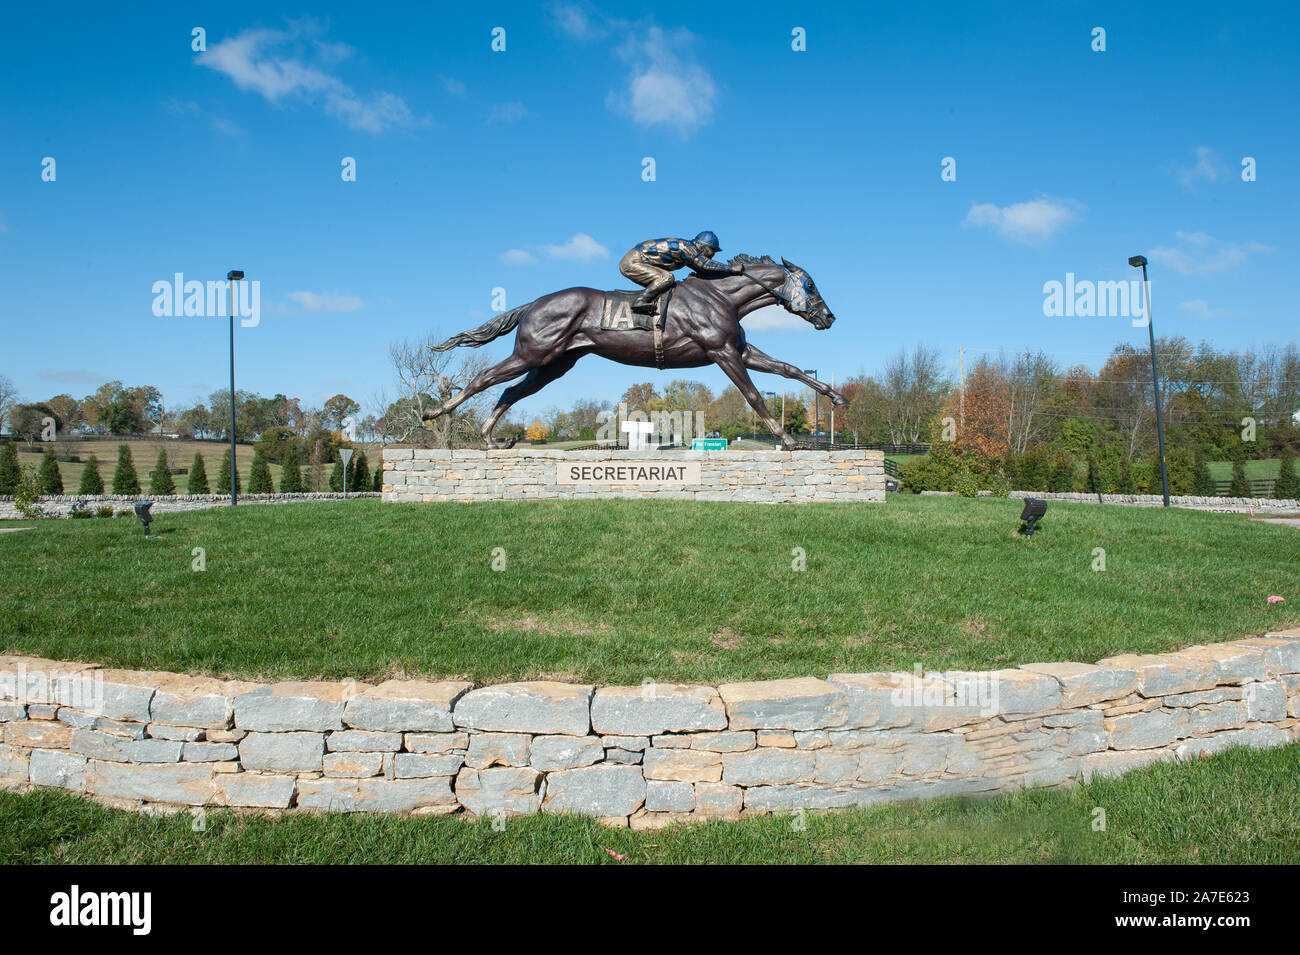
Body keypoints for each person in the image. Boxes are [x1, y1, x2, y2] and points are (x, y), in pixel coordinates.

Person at [618, 231, 744, 313]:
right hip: (633, 262)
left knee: (666, 285)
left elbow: (701, 269)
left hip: (638, 259)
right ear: (703, 246)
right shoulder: (687, 249)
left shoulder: (687, 250)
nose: (712, 255)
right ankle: (640, 301)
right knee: (666, 278)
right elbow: (704, 265)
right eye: (712, 251)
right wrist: (730, 269)